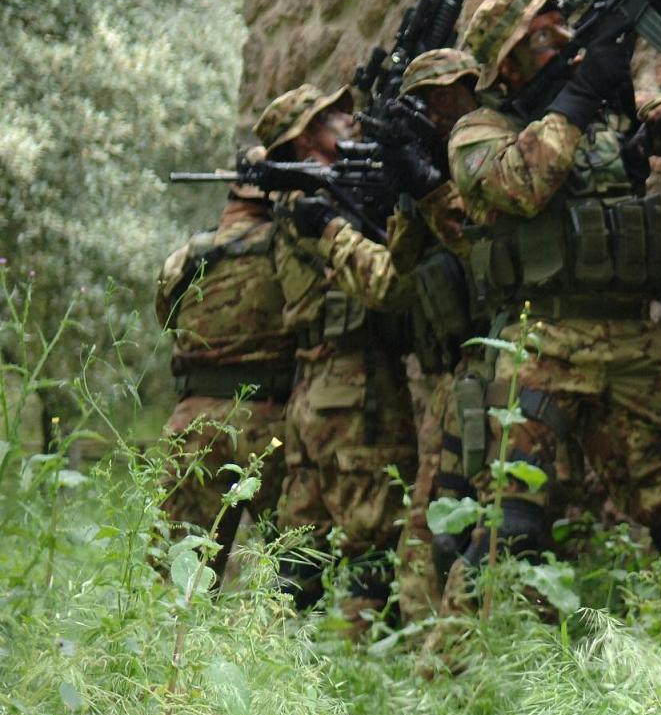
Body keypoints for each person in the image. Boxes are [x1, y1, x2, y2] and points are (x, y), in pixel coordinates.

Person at [441, 0, 661, 599]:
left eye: (558, 27)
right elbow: (520, 184)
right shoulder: (478, 132)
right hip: (538, 346)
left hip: (633, 344)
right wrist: (576, 97)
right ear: (506, 68)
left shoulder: (614, 112)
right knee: (508, 530)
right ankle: (466, 672)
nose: (561, 40)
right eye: (539, 39)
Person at [302, 48, 483, 622]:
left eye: (449, 97)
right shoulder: (425, 167)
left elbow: (393, 284)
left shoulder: (484, 155)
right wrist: (409, 188)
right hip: (457, 378)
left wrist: (335, 235)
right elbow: (403, 265)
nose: (442, 113)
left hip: (494, 366)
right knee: (434, 537)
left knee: (457, 534)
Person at [259, 83, 416, 618]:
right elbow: (388, 284)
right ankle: (363, 679)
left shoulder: (296, 207)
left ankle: (282, 675)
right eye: (335, 116)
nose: (350, 120)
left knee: (300, 544)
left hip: (315, 392)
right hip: (354, 390)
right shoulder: (313, 212)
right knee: (373, 537)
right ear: (306, 143)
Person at [155, 150, 293, 584]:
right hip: (270, 422)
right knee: (289, 567)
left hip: (192, 423)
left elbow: (167, 318)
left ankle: (172, 652)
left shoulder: (185, 257)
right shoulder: (289, 250)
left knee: (177, 576)